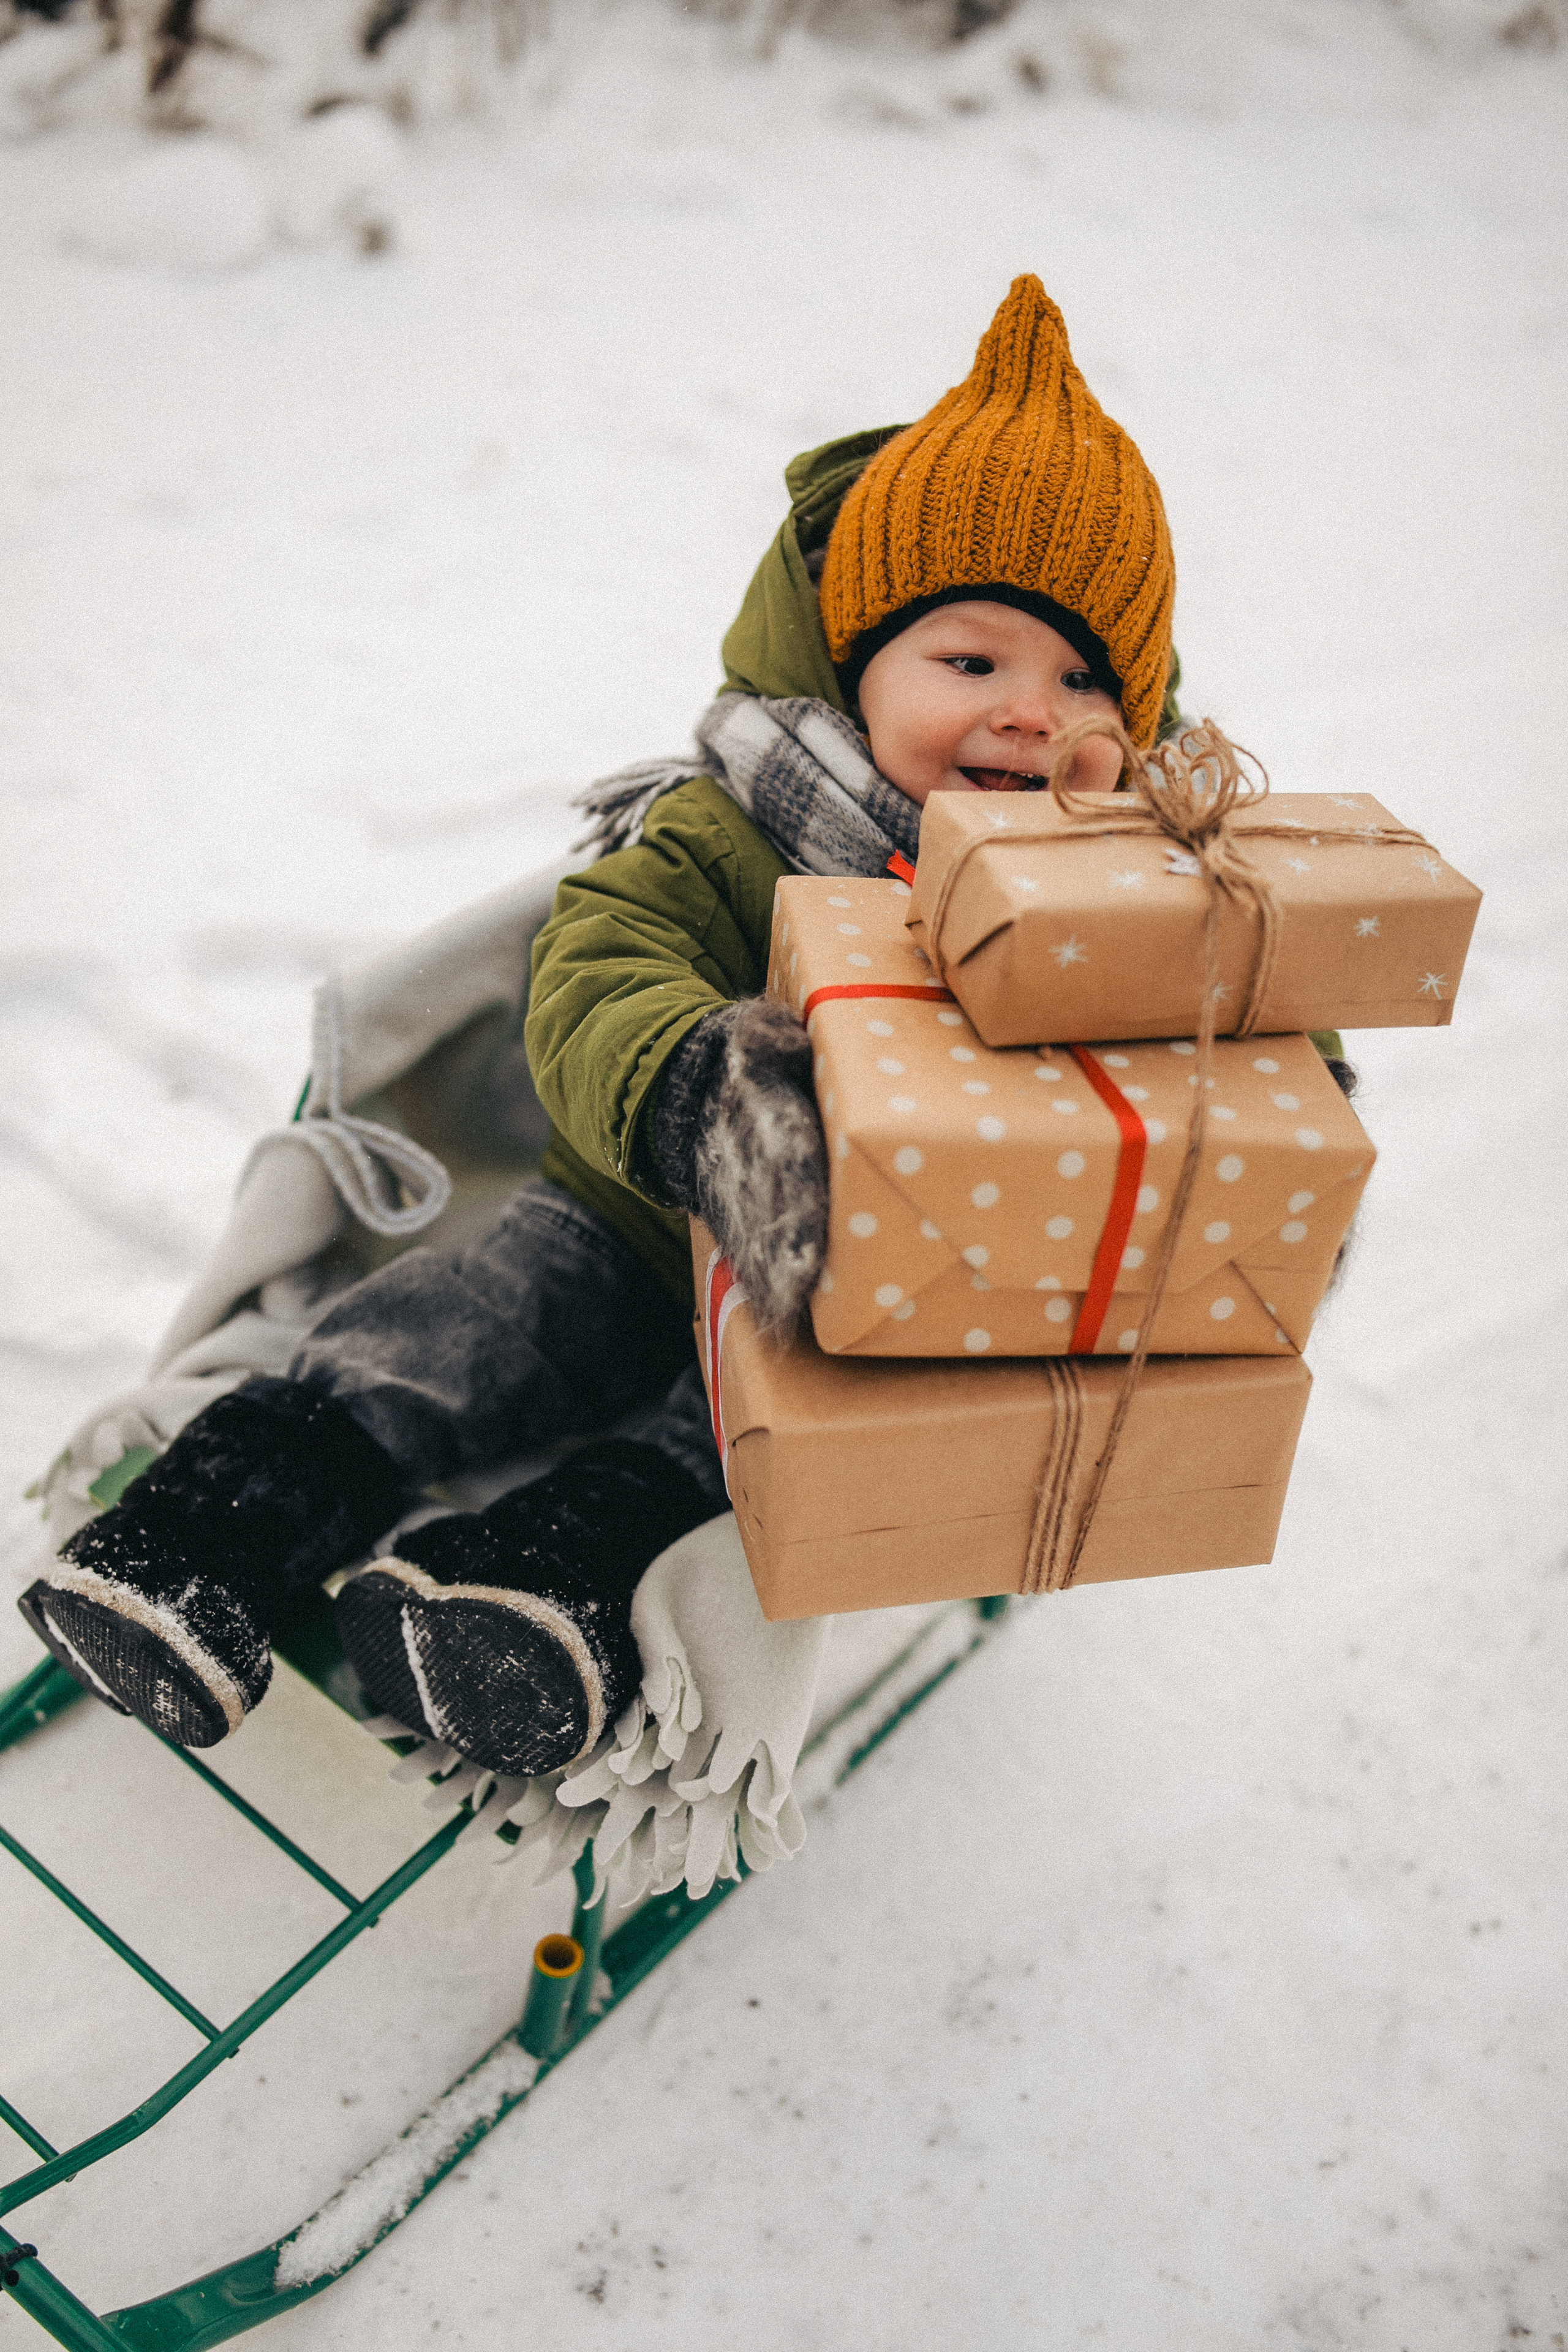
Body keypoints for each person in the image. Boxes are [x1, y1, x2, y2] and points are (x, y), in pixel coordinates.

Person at [21, 274, 1349, 1782]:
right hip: (631, 1222)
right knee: (444, 1340)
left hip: (862, 1311)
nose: (1028, 714)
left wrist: (1250, 1179)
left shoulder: (1134, 895)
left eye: (1081, 677)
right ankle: (208, 1534)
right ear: (856, 661)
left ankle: (534, 1614)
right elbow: (596, 962)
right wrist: (700, 1085)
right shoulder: (734, 827)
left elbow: (1255, 1072)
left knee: (720, 1463)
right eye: (970, 662)